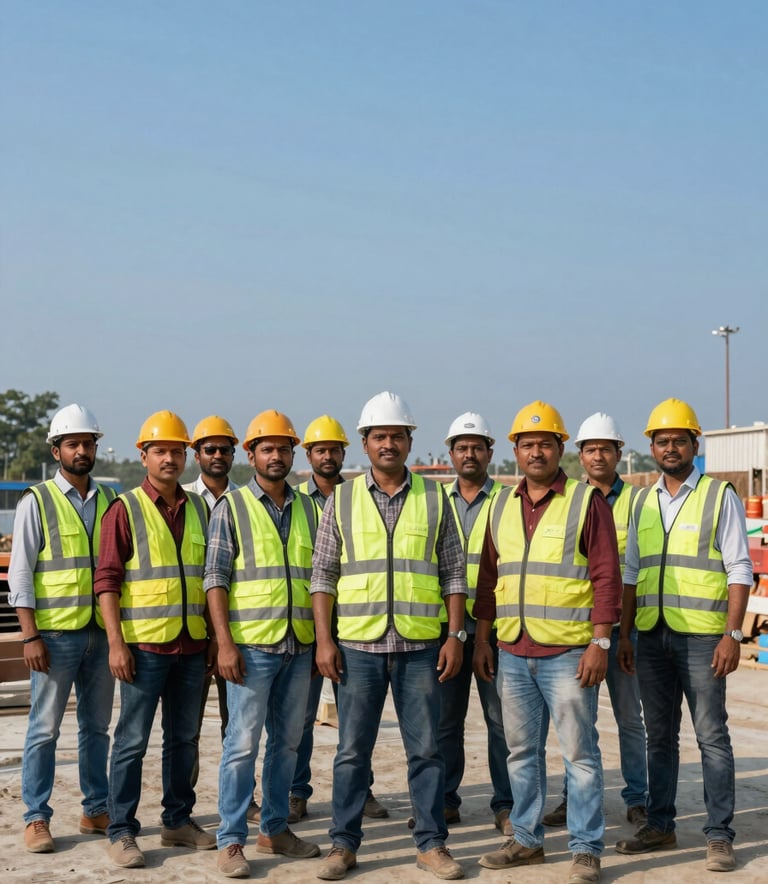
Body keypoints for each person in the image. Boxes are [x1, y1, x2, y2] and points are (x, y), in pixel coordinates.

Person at [312, 391, 468, 882]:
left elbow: (454, 574)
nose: (388, 444)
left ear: (408, 441)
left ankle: (431, 843)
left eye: (397, 436)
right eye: (379, 436)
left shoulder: (433, 497)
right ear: (364, 442)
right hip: (358, 647)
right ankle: (343, 844)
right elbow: (323, 576)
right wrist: (324, 640)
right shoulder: (342, 499)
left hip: (420, 647)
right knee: (352, 751)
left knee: (425, 750)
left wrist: (456, 635)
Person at [474, 401, 622, 884]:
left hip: (568, 653)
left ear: (561, 449)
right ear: (514, 451)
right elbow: (488, 579)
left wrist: (600, 642)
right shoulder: (500, 503)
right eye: (527, 444)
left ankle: (584, 848)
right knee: (521, 753)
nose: (535, 452)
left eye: (545, 444)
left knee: (579, 754)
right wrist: (482, 639)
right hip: (514, 650)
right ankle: (527, 839)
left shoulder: (585, 501)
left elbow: (606, 576)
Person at [615, 398, 752, 873]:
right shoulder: (642, 500)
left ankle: (719, 836)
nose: (669, 447)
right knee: (659, 737)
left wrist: (732, 634)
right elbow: (631, 571)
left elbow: (739, 569)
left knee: (711, 735)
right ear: (651, 446)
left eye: (678, 440)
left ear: (695, 444)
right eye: (661, 440)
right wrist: (627, 633)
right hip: (651, 636)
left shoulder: (719, 496)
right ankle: (661, 824)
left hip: (701, 637)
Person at [95, 410, 216, 869]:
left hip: (190, 645)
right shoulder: (125, 509)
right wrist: (115, 644)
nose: (170, 458)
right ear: (143, 455)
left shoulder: (200, 508)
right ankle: (122, 830)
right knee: (131, 741)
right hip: (143, 646)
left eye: (177, 450)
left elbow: (208, 577)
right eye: (160, 450)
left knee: (184, 739)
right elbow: (106, 579)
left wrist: (209, 641)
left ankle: (177, 820)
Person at [205, 410, 320, 879]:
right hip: (252, 646)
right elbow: (215, 580)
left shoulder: (312, 508)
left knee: (287, 745)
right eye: (267, 448)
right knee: (241, 744)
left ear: (294, 454)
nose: (276, 456)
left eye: (283, 448)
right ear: (250, 455)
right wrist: (225, 644)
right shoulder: (230, 508)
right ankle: (231, 839)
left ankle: (274, 829)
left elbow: (322, 578)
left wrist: (321, 642)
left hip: (300, 645)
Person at [8, 404, 116, 853]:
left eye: (88, 443)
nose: (82, 451)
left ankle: (95, 809)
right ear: (57, 450)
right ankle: (36, 817)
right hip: (54, 637)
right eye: (73, 444)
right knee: (44, 729)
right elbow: (21, 573)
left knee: (96, 729)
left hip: (101, 635)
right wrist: (30, 635)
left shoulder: (112, 501)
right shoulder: (37, 501)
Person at [542, 412, 647, 830]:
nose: (598, 455)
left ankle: (637, 799)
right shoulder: (569, 501)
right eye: (590, 449)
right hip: (577, 631)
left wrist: (623, 634)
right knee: (578, 724)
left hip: (622, 632)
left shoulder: (639, 501)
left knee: (628, 718)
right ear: (579, 455)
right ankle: (575, 798)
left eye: (606, 447)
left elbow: (634, 570)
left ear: (619, 453)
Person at [288, 415, 389, 824]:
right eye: (319, 450)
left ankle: (360, 792)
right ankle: (297, 793)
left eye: (333, 449)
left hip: (354, 627)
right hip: (303, 627)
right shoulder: (293, 501)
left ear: (345, 452)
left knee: (354, 722)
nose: (327, 455)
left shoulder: (359, 498)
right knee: (300, 720)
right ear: (308, 454)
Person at [438, 412, 513, 834]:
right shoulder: (434, 502)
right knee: (445, 722)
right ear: (450, 453)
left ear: (489, 452)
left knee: (500, 721)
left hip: (494, 631)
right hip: (447, 630)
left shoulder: (507, 501)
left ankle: (506, 804)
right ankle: (446, 800)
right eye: (462, 447)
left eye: (477, 446)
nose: (469, 453)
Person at [182, 416, 247, 801]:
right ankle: (183, 807)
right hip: (191, 631)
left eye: (224, 449)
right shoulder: (183, 499)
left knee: (238, 724)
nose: (218, 455)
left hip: (235, 632)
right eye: (210, 449)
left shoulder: (245, 502)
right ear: (197, 454)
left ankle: (240, 801)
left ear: (234, 453)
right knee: (186, 727)